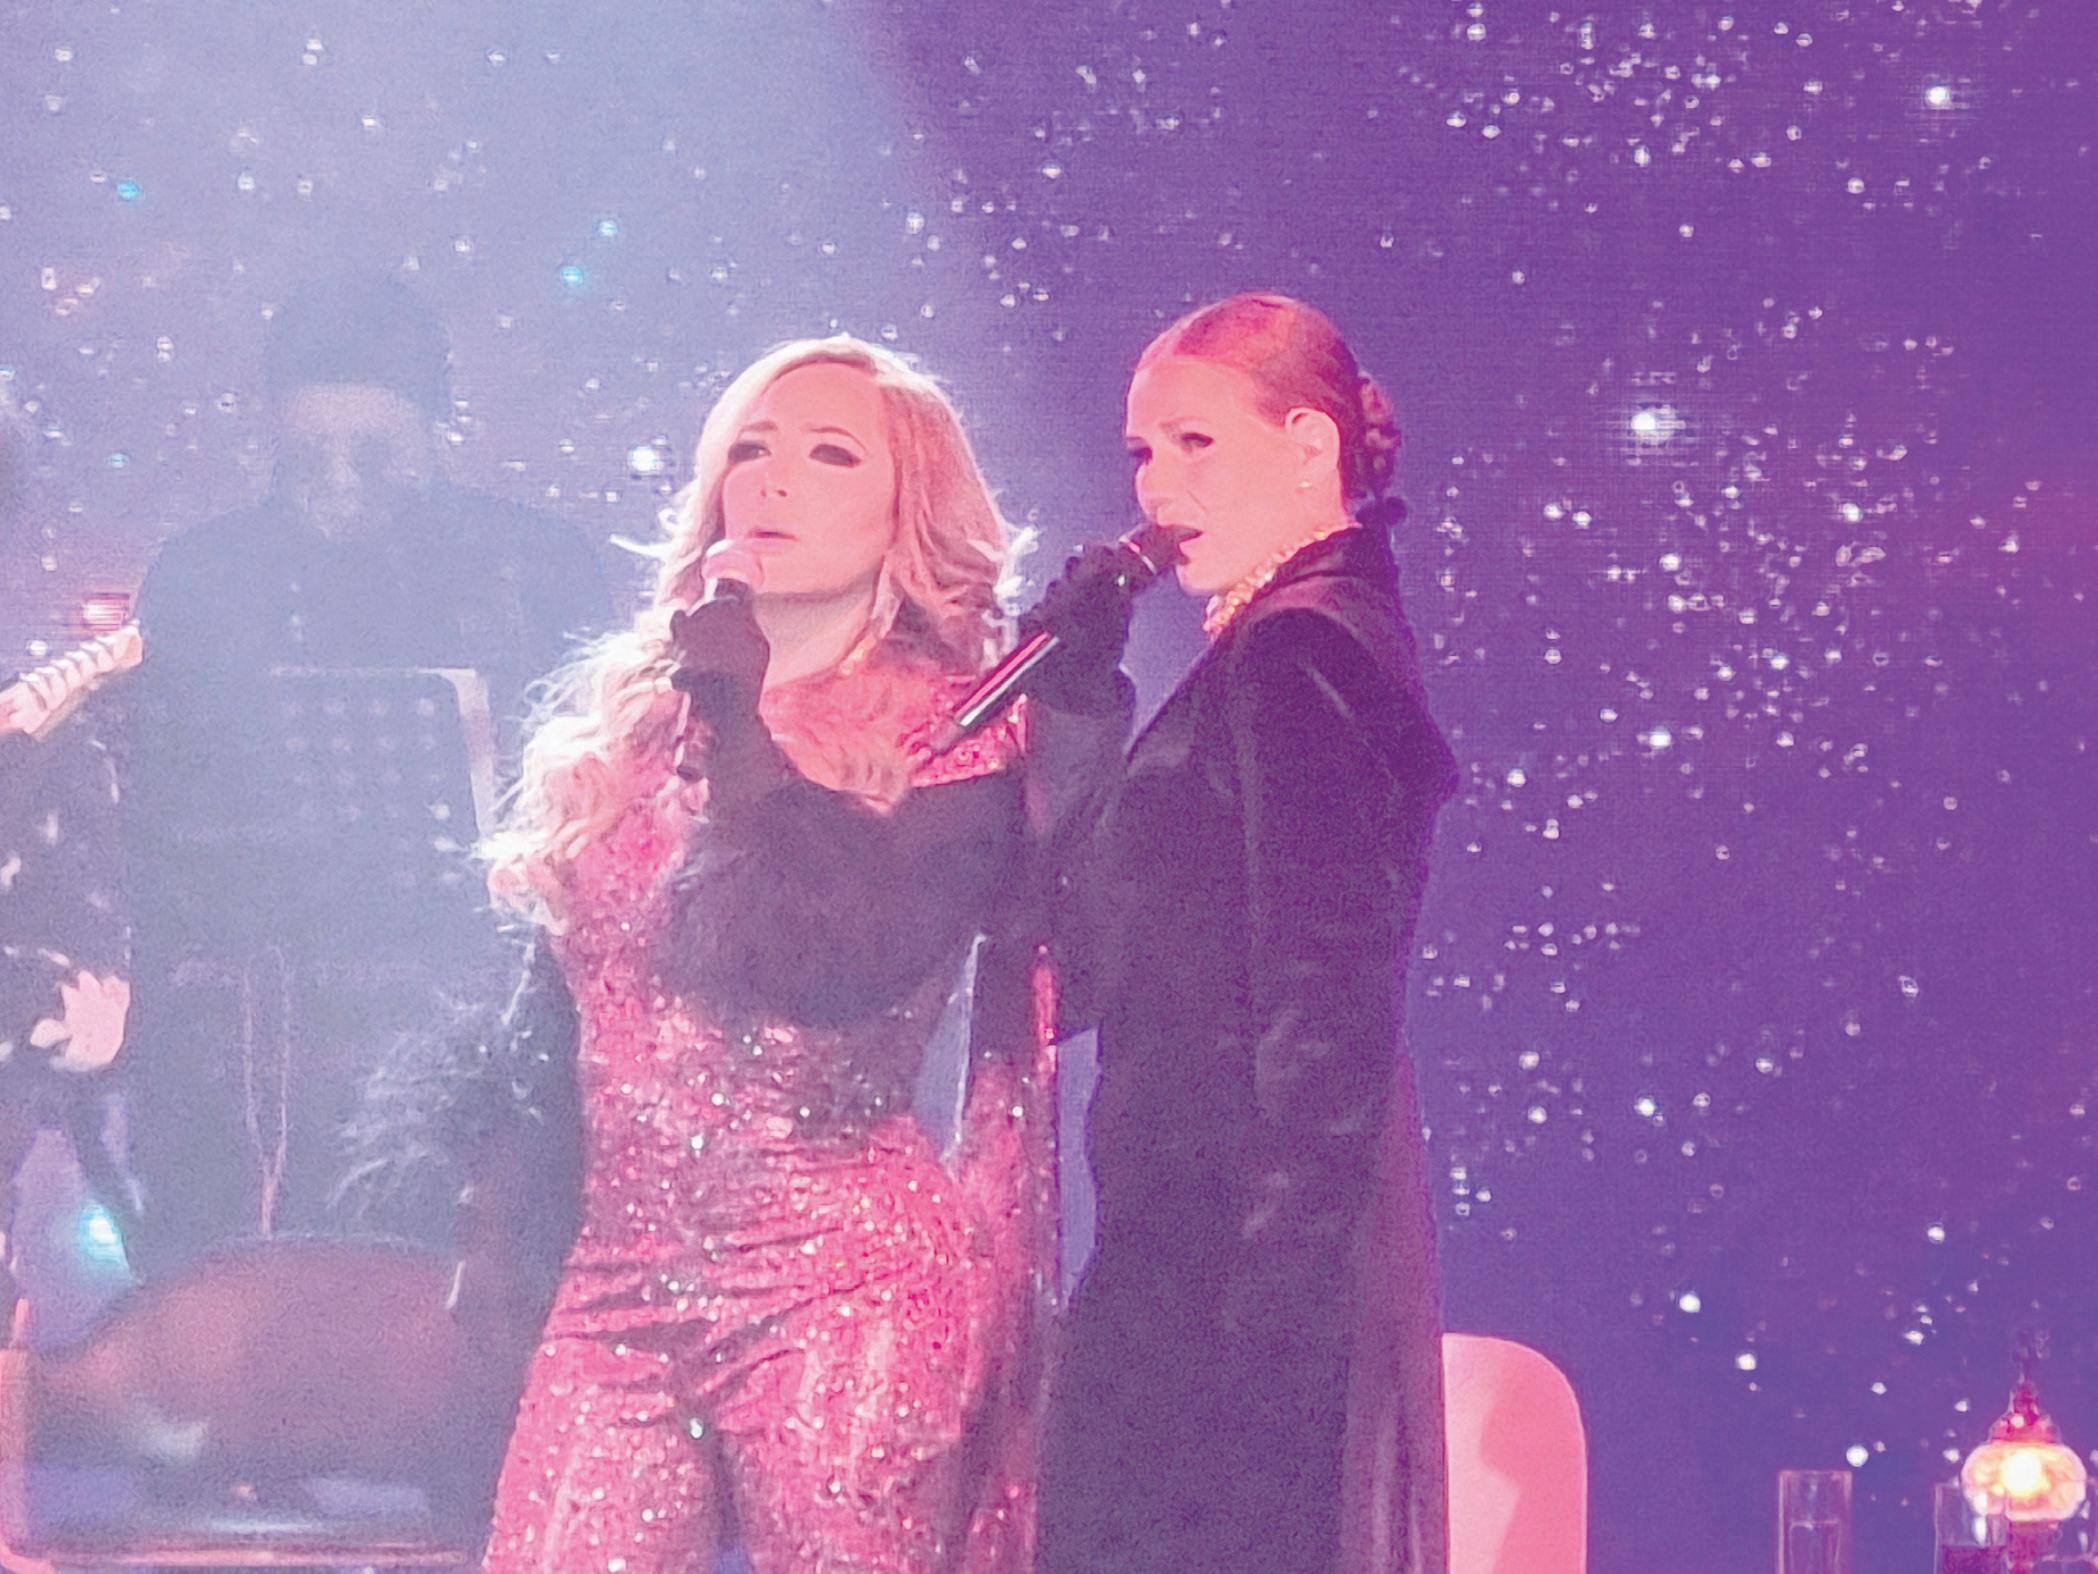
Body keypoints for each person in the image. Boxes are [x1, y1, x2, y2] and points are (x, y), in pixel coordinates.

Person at [345, 336, 1059, 1572]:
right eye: (750, 450)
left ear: (907, 510)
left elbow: (824, 961)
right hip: (618, 1287)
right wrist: (494, 1212)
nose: (773, 480)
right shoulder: (639, 719)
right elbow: (553, 1014)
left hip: (844, 1287)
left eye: (831, 455)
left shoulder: (951, 733)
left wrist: (741, 723)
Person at [1037, 293, 1458, 1573]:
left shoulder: (1302, 651)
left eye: (1196, 442)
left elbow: (1325, 1004)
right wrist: (1075, 687)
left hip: (1223, 1269)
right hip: (1194, 1242)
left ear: (1308, 445)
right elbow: (1104, 949)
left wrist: (1267, 1327)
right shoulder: (1284, 643)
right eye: (1141, 452)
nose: (1156, 487)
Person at [122, 274, 611, 1278]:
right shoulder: (206, 572)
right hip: (266, 1001)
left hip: (483, 981)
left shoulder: (534, 566)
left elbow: (598, 766)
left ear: (433, 431)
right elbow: (158, 794)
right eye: (312, 455)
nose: (342, 483)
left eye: (373, 454)